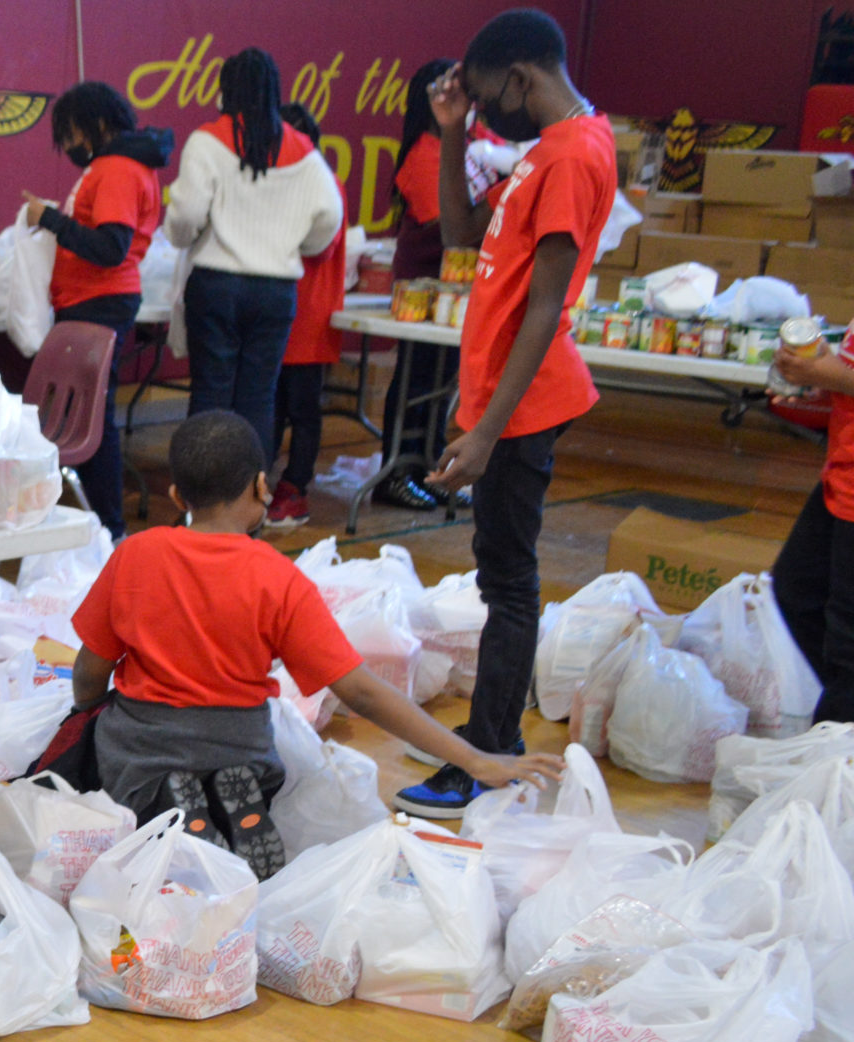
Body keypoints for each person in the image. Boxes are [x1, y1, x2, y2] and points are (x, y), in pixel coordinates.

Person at [70, 412, 562, 877]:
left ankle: (169, 812)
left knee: (112, 756)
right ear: (261, 487)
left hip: (144, 748)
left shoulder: (135, 554)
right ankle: (230, 799)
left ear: (178, 496)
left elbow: (91, 669)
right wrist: (475, 759)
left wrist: (88, 715)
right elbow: (363, 693)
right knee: (252, 763)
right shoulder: (277, 578)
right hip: (239, 746)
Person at [396, 9, 615, 819]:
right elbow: (459, 234)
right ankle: (484, 738)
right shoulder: (540, 153)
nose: (485, 112)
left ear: (524, 79)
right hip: (500, 398)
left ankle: (488, 760)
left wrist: (490, 428)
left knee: (511, 585)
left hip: (526, 403)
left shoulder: (573, 154)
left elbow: (545, 308)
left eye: (486, 99)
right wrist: (452, 133)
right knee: (501, 575)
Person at [165, 49, 343, 458]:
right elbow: (330, 215)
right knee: (259, 398)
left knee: (210, 394)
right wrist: (299, 245)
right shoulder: (303, 150)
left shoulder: (208, 140)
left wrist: (182, 236)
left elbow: (186, 213)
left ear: (225, 90)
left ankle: (202, 503)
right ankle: (250, 505)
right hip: (276, 291)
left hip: (216, 285)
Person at [20, 82, 172, 537]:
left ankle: (108, 525)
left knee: (91, 419)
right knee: (85, 414)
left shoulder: (119, 169)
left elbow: (110, 247)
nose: (67, 146)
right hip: (87, 303)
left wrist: (48, 219)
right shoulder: (113, 165)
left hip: (100, 304)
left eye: (70, 134)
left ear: (99, 125)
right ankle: (99, 521)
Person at [373, 58, 464, 513]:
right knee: (416, 379)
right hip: (423, 291)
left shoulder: (476, 143)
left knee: (443, 385)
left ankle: (433, 469)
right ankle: (396, 474)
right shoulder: (423, 153)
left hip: (459, 291)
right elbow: (446, 224)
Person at [266, 103, 348, 531]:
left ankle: (296, 487)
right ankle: (263, 484)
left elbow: (321, 246)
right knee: (273, 405)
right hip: (278, 311)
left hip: (308, 314)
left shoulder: (323, 183)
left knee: (302, 408)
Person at [770, 325, 854, 723]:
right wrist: (820, 373)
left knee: (847, 638)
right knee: (797, 589)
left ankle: (835, 758)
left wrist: (831, 375)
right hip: (841, 473)